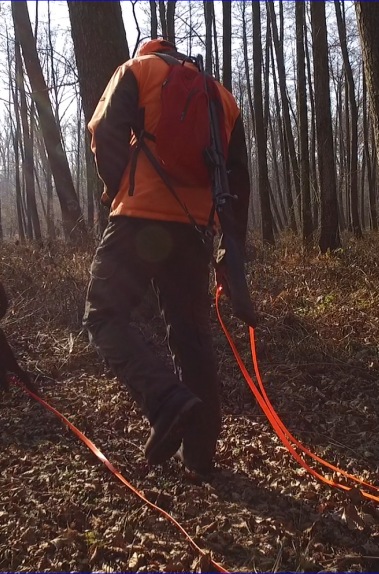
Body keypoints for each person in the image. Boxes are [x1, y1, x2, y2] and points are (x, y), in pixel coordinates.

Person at [83, 38, 251, 476]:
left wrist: (121, 185)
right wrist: (226, 249)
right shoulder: (224, 99)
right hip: (196, 230)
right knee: (191, 335)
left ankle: (166, 402)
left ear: (147, 52)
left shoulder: (136, 71)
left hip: (139, 220)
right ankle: (200, 457)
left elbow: (102, 130)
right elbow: (239, 181)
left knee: (103, 317)